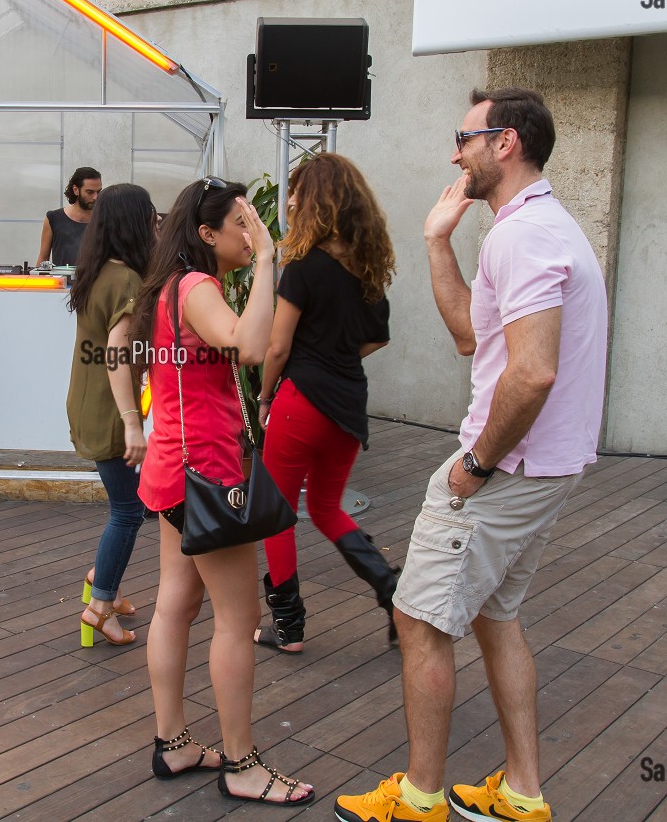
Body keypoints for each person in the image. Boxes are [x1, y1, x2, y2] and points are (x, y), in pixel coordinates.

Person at [335, 88, 608, 822]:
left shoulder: (522, 236)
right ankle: (522, 792)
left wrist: (475, 465)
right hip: (542, 465)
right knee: (495, 613)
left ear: (506, 142)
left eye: (466, 137)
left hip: (505, 468)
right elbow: (470, 335)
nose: (455, 153)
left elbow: (533, 370)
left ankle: (420, 798)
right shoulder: (534, 227)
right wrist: (435, 241)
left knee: (419, 619)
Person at [131, 176, 314, 806]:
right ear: (206, 234)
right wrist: (268, 259)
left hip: (172, 471)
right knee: (241, 618)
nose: (251, 229)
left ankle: (173, 742)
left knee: (175, 606)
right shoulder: (199, 287)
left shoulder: (168, 288)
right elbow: (252, 346)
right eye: (240, 221)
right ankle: (242, 764)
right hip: (205, 475)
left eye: (251, 221)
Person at [253, 154, 399, 654]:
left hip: (299, 402)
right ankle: (393, 592)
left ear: (314, 201)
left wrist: (264, 396)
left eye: (296, 193)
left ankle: (288, 626)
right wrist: (335, 354)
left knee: (275, 512)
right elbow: (376, 339)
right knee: (326, 507)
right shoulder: (368, 270)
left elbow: (276, 346)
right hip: (347, 405)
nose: (289, 201)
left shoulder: (303, 267)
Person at [65, 183, 155, 647]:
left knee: (125, 507)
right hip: (109, 410)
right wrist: (132, 423)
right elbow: (117, 354)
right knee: (128, 511)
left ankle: (106, 583)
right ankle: (99, 605)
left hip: (87, 401)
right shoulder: (126, 281)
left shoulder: (97, 271)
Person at [37, 166, 101, 266]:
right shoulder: (54, 219)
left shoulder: (105, 220)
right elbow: (43, 259)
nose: (95, 197)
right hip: (62, 280)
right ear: (76, 190)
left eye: (98, 191)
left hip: (96, 281)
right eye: (89, 192)